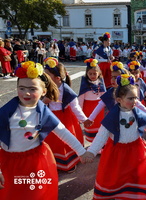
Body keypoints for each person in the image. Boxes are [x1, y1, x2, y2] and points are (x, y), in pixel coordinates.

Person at [0, 61, 89, 199]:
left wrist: (82, 152)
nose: (26, 93)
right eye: (21, 88)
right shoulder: (5, 112)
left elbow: (63, 132)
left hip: (36, 162)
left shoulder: (42, 112)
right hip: (9, 163)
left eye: (33, 89)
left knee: (35, 195)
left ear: (44, 91)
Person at [84, 74, 146, 200]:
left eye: (136, 98)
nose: (134, 102)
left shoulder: (138, 114)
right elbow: (101, 136)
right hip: (116, 154)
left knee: (135, 178)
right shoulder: (112, 117)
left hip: (136, 152)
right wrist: (91, 152)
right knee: (115, 178)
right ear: (119, 99)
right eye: (130, 98)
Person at [43, 58, 88, 172]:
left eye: (47, 75)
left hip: (65, 118)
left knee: (65, 140)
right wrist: (43, 101)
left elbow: (76, 107)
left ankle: (69, 162)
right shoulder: (45, 87)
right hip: (49, 117)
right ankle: (54, 162)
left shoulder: (66, 91)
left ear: (57, 78)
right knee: (52, 141)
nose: (44, 78)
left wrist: (84, 120)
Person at [84, 61, 146, 127]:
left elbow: (137, 103)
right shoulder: (110, 92)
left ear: (123, 79)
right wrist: (90, 118)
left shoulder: (127, 91)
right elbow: (100, 105)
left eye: (116, 78)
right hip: (114, 120)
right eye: (112, 77)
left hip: (129, 118)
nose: (112, 80)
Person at [78, 58, 106, 142]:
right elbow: (80, 99)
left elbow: (104, 96)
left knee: (99, 124)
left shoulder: (100, 82)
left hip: (99, 107)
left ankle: (99, 143)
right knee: (91, 125)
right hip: (88, 107)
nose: (92, 76)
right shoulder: (85, 84)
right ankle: (92, 142)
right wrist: (80, 113)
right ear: (86, 74)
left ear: (99, 73)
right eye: (90, 74)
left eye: (94, 73)